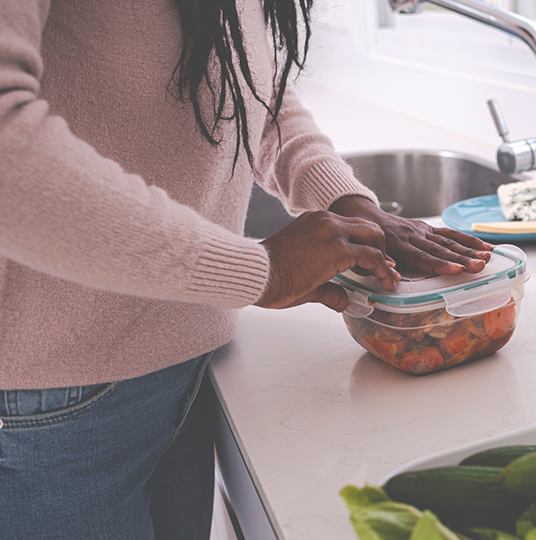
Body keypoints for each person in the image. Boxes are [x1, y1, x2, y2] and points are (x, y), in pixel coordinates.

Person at [0, 1, 494, 538]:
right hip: (57, 394)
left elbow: (242, 82)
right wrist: (260, 269)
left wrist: (346, 198)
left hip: (185, 358)